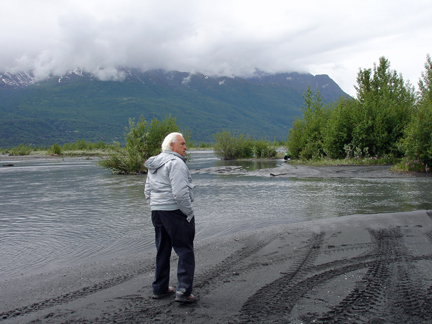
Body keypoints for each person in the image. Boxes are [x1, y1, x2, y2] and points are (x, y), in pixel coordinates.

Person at [144, 132, 196, 303]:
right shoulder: (176, 163)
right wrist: (188, 213)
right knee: (185, 251)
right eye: (182, 144)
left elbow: (147, 191)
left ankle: (160, 288)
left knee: (162, 250)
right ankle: (183, 291)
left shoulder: (154, 163)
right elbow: (180, 194)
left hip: (157, 212)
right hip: (174, 212)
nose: (185, 147)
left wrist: (155, 206)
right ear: (172, 146)